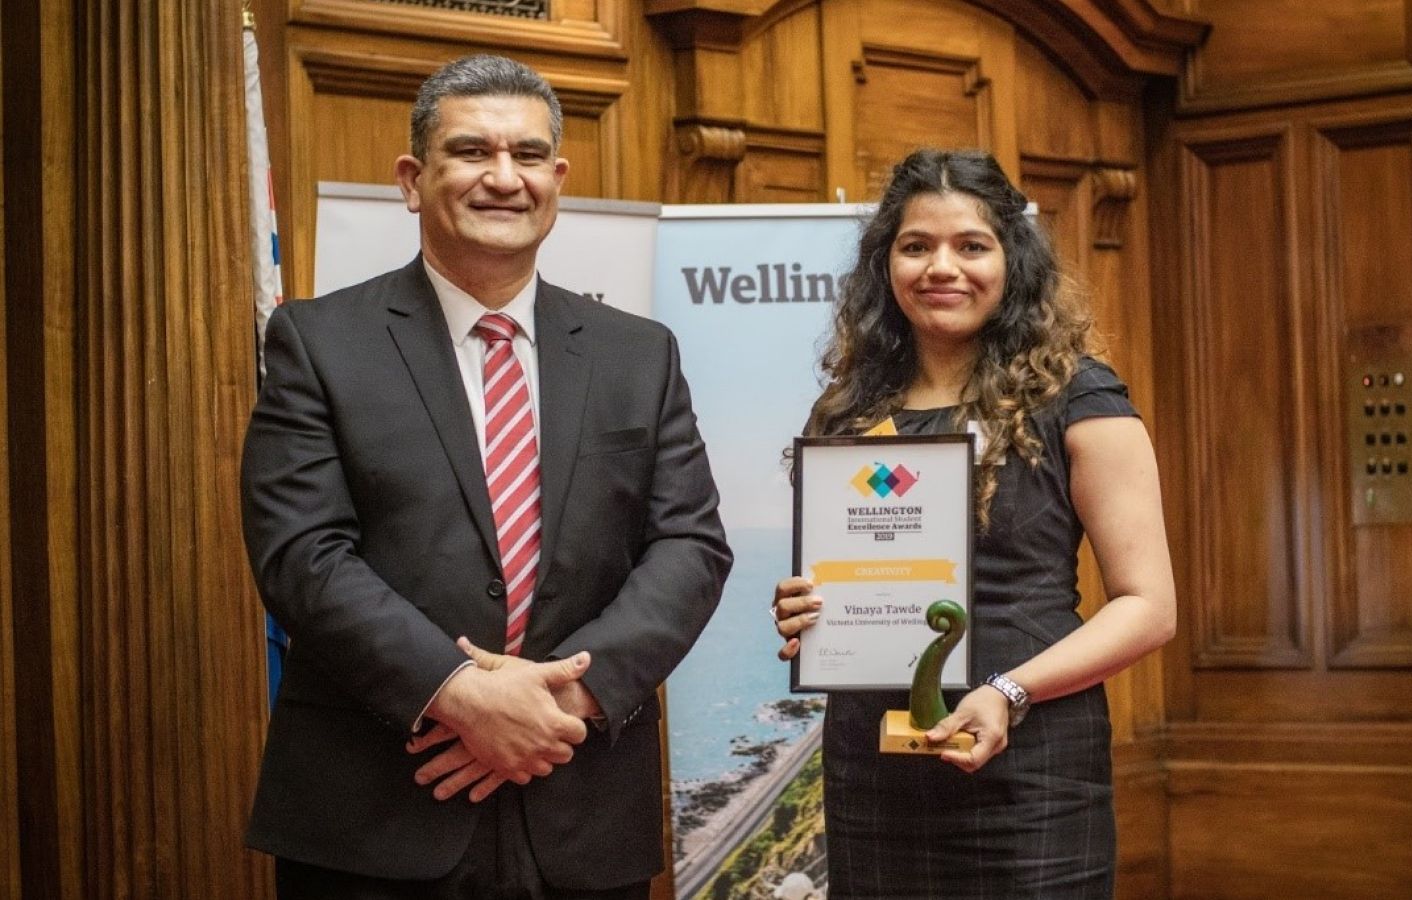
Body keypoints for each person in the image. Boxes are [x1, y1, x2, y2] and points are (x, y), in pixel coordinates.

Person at [241, 54, 732, 899]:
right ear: (412, 178)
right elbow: (301, 553)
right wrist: (460, 693)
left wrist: (558, 704)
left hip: (580, 802)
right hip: (379, 808)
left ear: (558, 178)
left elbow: (689, 545)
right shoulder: (318, 341)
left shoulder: (637, 353)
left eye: (528, 155)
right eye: (471, 152)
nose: (504, 177)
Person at [771, 148, 1176, 898]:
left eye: (971, 245)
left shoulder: (1079, 397)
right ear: (885, 264)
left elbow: (1149, 609)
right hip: (876, 766)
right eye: (916, 246)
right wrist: (806, 611)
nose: (941, 267)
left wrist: (1008, 692)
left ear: (1011, 259)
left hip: (1028, 762)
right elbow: (845, 575)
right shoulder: (851, 407)